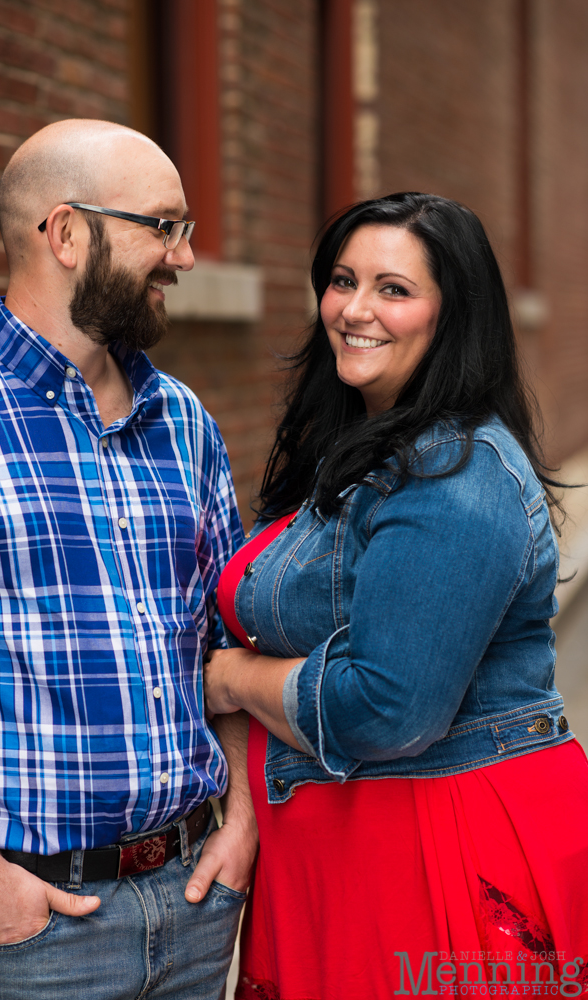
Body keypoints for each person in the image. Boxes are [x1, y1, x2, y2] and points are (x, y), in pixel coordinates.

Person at [204, 193, 588, 1000]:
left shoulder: (455, 476)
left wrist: (232, 678)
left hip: (436, 847)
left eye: (393, 289)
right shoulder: (360, 447)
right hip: (341, 841)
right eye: (342, 281)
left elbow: (387, 708)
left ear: (452, 316)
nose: (355, 309)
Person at [0, 119, 257, 1000]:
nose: (184, 257)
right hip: (25, 931)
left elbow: (228, 641)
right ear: (67, 234)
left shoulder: (183, 421)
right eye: (164, 226)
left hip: (194, 904)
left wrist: (244, 823)